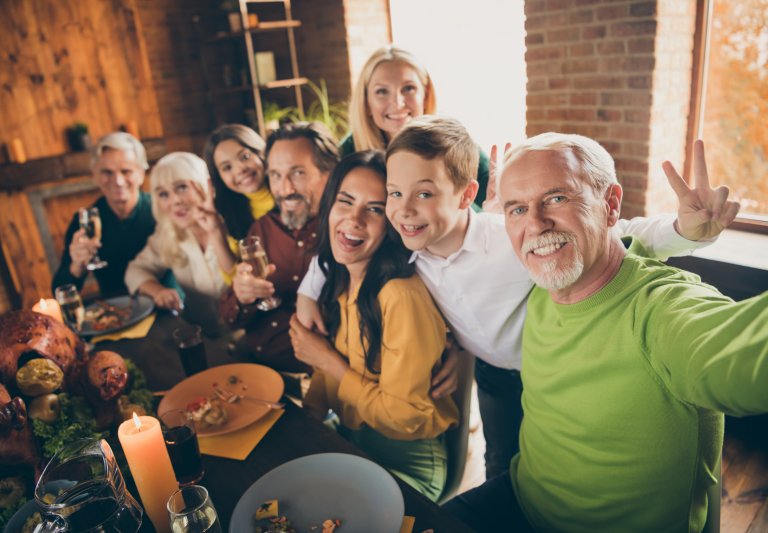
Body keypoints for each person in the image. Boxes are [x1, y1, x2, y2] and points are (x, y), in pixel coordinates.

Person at [297, 116, 733, 481]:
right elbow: (343, 251)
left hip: (552, 369)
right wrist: (307, 295)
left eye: (424, 193)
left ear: (467, 196)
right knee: (500, 462)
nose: (404, 209)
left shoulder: (509, 236)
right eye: (395, 193)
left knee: (568, 467)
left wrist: (682, 232)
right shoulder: (405, 249)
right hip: (491, 375)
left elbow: (616, 234)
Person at [446, 133, 767, 532]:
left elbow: (746, 355)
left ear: (611, 205)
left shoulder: (661, 309)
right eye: (518, 209)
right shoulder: (543, 281)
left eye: (558, 198)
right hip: (524, 498)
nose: (536, 224)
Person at [289, 151, 459, 501]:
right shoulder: (343, 277)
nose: (354, 219)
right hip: (354, 438)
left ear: (394, 221)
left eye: (375, 209)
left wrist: (325, 360)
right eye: (345, 202)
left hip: (408, 460)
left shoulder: (399, 295)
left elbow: (404, 417)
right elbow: (331, 369)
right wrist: (309, 418)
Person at [219, 122, 340, 372]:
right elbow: (229, 318)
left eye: (297, 173)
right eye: (275, 175)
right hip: (251, 361)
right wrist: (242, 295)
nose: (284, 189)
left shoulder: (345, 231)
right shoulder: (263, 228)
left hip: (313, 378)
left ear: (328, 174)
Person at [341, 45, 491, 205]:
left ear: (425, 95)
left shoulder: (454, 144)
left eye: (408, 88)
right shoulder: (347, 152)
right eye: (382, 91)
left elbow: (493, 199)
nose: (398, 103)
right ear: (366, 102)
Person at [125, 152, 236, 333]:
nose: (175, 201)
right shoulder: (167, 234)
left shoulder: (234, 223)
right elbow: (135, 271)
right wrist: (158, 291)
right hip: (202, 335)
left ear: (205, 186)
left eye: (182, 187)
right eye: (163, 194)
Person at [52, 132, 156, 297]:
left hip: (163, 305)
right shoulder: (84, 223)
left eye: (126, 171)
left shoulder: (161, 211)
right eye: (107, 172)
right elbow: (59, 291)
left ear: (141, 174)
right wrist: (76, 266)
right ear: (95, 175)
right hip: (116, 312)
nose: (118, 181)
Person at [203, 124, 275, 240]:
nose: (240, 170)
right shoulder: (231, 215)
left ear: (260, 152)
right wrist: (214, 230)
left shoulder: (289, 195)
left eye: (245, 157)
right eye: (227, 168)